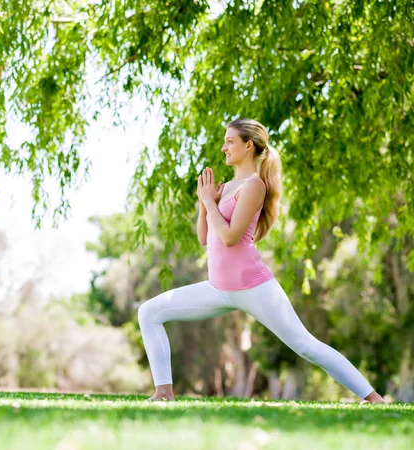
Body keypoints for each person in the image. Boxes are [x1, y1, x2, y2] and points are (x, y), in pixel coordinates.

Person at [137, 118, 386, 404]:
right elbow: (206, 238)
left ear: (248, 144)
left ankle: (372, 397)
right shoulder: (228, 186)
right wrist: (204, 204)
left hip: (252, 286)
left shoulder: (254, 186)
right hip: (218, 288)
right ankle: (163, 392)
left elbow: (230, 237)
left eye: (230, 141)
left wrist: (209, 203)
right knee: (149, 312)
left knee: (305, 345)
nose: (224, 147)